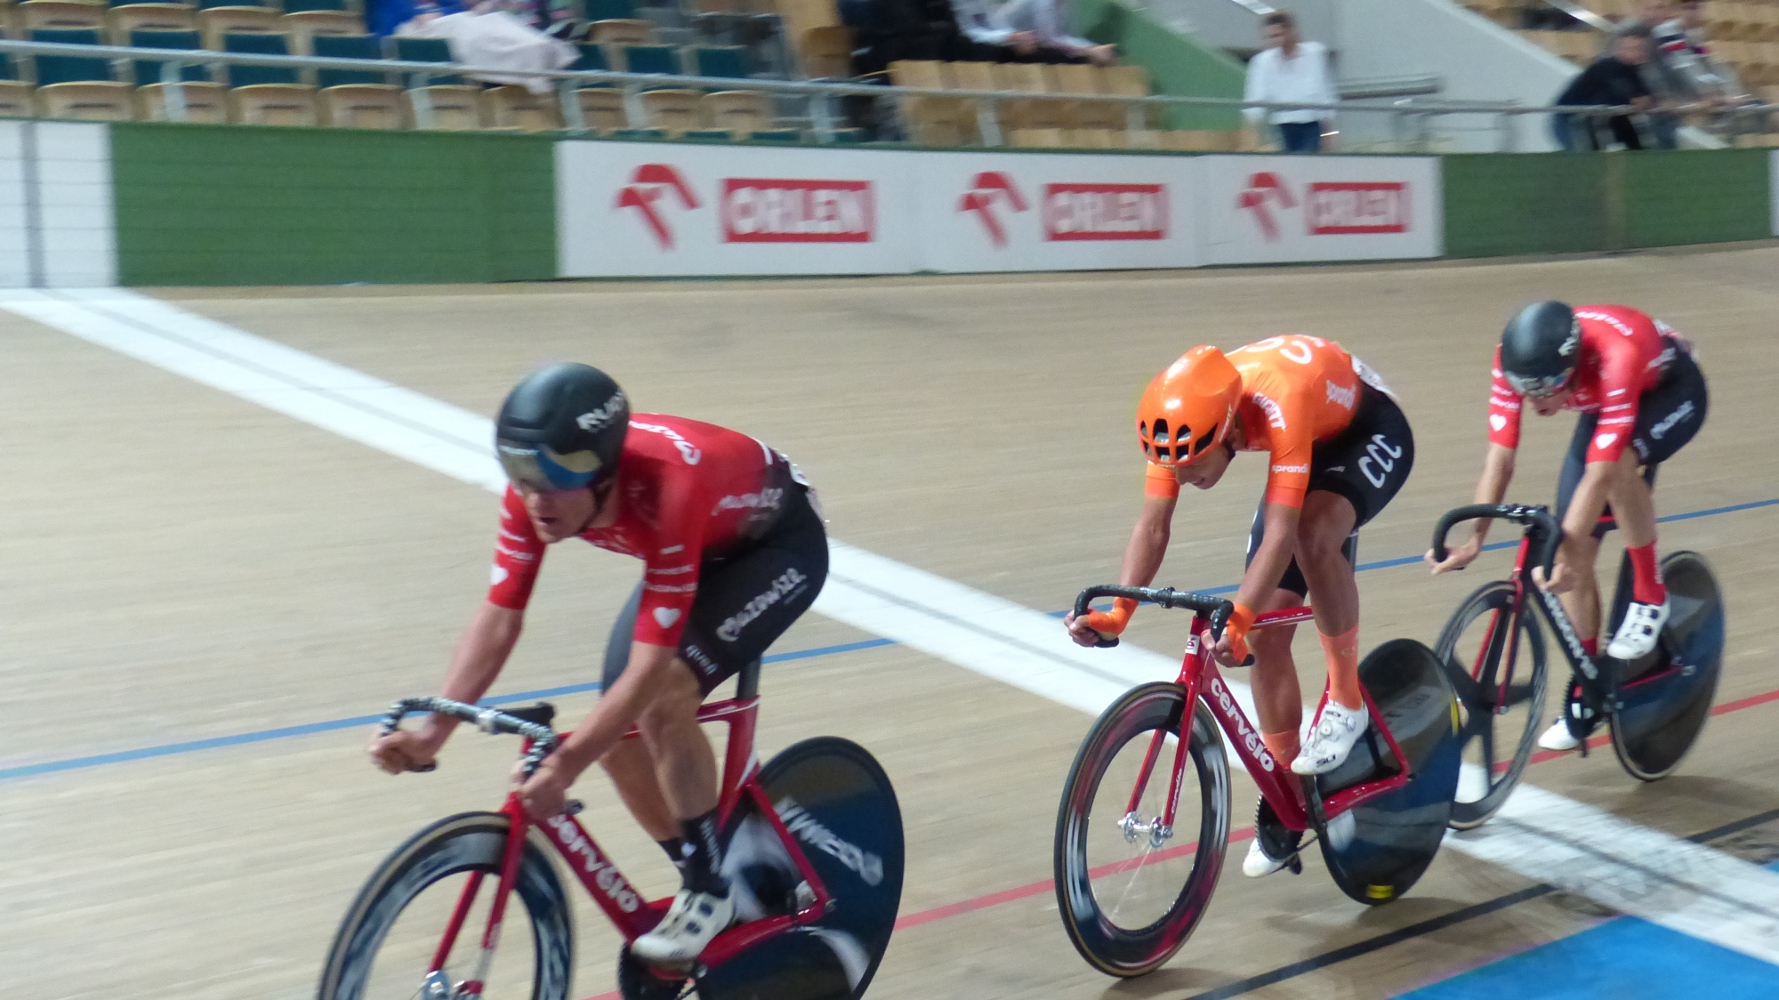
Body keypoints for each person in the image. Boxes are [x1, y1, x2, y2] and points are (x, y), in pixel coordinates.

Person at [368, 363, 829, 965]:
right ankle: (713, 870)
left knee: (660, 699)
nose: (536, 498)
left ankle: (711, 894)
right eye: (519, 472)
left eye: (557, 477)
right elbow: (500, 617)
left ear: (606, 471)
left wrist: (563, 766)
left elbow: (649, 672)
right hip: (698, 546)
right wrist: (435, 732)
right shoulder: (536, 491)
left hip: (776, 545)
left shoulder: (668, 487)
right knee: (613, 735)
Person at [1065, 338, 1414, 877]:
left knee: (1311, 536)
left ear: (1227, 429)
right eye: (1173, 465)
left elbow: (1280, 534)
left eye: (1191, 464)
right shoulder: (1177, 422)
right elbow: (1153, 527)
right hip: (1302, 442)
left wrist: (1241, 616)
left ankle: (1348, 701)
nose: (1181, 476)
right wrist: (1117, 614)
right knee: (1267, 640)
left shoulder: (1280, 399)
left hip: (1366, 429)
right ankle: (1292, 799)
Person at [1426, 302, 1707, 751]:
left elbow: (1599, 473)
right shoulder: (1512, 359)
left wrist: (1566, 549)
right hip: (1605, 403)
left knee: (1614, 470)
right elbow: (1500, 458)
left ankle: (1650, 594)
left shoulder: (1616, 357)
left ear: (1571, 368)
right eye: (1525, 389)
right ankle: (1589, 682)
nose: (1534, 401)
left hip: (1669, 393)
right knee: (1572, 551)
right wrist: (1475, 537)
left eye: (1545, 388)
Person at [1242, 11, 1336, 153]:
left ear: (1290, 31)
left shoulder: (1315, 53)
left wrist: (1329, 136)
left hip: (1311, 125)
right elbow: (1254, 104)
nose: (1274, 41)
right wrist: (1250, 142)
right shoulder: (1262, 62)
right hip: (1282, 126)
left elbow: (1326, 97)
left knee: (1308, 162)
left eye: (1278, 35)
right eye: (1270, 37)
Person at [1553, 27, 1656, 150]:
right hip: (1571, 118)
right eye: (1631, 48)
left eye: (1640, 49)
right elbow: (1632, 99)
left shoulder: (1636, 71)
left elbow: (1645, 98)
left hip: (1599, 118)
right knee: (1582, 154)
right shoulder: (1608, 68)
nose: (1638, 53)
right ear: (1618, 49)